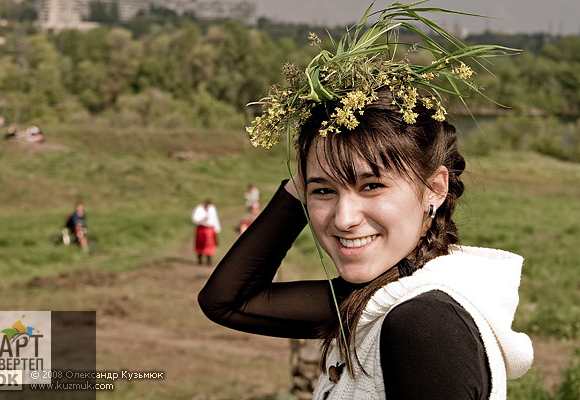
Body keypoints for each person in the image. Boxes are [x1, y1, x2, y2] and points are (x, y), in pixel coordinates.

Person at [198, 3, 532, 399]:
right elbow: (228, 302)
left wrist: (323, 171)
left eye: (372, 186)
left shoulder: (423, 323)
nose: (344, 218)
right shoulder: (381, 293)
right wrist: (303, 180)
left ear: (435, 189)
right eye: (323, 191)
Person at [191, 199, 222, 265]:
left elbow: (215, 218)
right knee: (200, 244)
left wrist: (217, 228)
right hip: (201, 228)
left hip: (209, 229)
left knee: (210, 245)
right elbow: (195, 218)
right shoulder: (199, 208)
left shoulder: (212, 209)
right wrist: (202, 219)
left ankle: (209, 261)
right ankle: (200, 260)